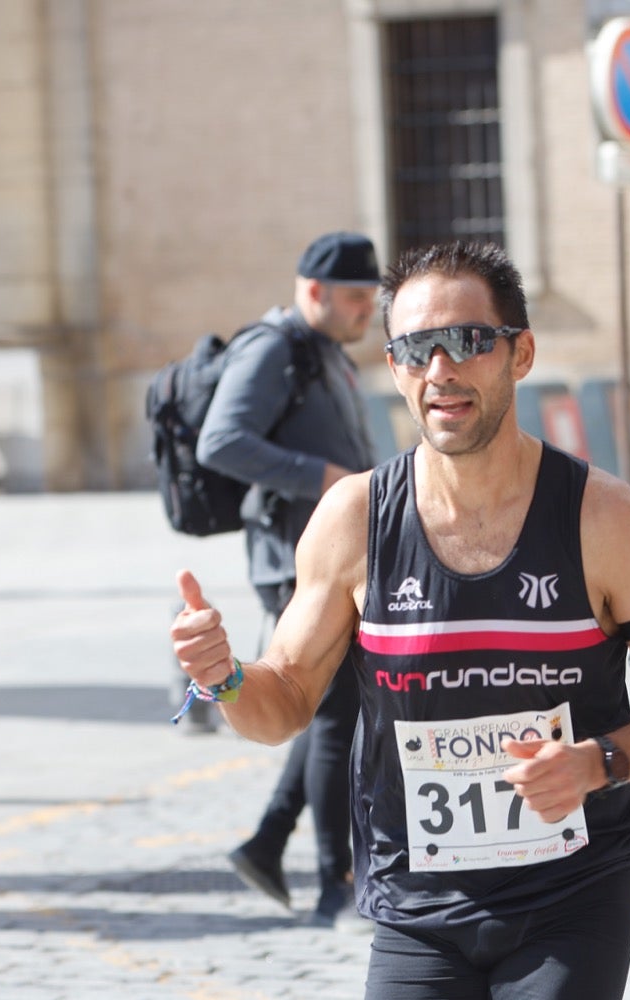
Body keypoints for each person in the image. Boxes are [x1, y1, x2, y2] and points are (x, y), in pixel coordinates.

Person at [172, 240, 630, 1000]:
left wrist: (599, 762)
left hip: (570, 898)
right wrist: (222, 676)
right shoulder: (354, 518)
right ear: (391, 368)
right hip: (416, 906)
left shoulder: (602, 520)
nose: (440, 369)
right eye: (413, 350)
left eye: (466, 342)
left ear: (519, 354)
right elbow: (283, 700)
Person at [199, 231, 382, 927]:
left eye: (372, 297)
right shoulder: (274, 347)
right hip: (291, 561)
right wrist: (329, 480)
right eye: (356, 298)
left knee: (328, 709)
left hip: (333, 555)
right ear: (313, 292)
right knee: (334, 714)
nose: (368, 310)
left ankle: (270, 842)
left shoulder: (325, 350)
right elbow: (222, 440)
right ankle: (335, 884)